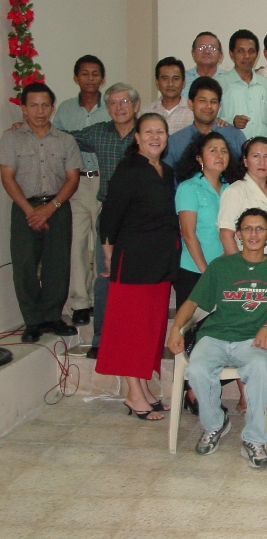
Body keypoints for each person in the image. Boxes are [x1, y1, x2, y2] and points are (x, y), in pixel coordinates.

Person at [167, 207, 267, 467]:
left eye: (259, 228)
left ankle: (254, 439)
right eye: (247, 228)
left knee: (259, 368)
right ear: (238, 234)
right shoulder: (221, 266)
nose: (253, 234)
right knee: (197, 370)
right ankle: (215, 423)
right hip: (215, 336)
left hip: (252, 340)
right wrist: (175, 328)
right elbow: (193, 302)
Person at [94, 113, 179, 420]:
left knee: (149, 327)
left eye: (161, 132)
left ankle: (143, 388)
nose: (155, 137)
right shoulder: (129, 169)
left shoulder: (166, 171)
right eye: (149, 132)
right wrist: (108, 253)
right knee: (131, 328)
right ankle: (133, 393)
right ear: (138, 138)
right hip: (133, 260)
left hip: (160, 260)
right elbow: (110, 214)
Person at [0, 83, 82, 343]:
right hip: (24, 208)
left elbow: (72, 178)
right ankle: (33, 321)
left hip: (57, 208)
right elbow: (7, 176)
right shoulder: (11, 138)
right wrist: (30, 211)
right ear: (23, 109)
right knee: (24, 265)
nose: (40, 111)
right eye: (33, 105)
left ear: (52, 108)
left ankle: (52, 317)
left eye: (45, 105)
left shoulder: (66, 140)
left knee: (57, 266)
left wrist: (50, 208)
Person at [69, 82, 141, 358]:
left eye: (125, 102)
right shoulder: (98, 133)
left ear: (135, 105)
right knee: (104, 278)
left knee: (137, 280)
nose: (119, 107)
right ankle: (101, 339)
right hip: (109, 215)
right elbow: (67, 137)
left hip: (140, 217)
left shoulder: (145, 133)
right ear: (107, 108)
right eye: (113, 103)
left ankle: (134, 337)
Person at [52, 55, 109, 328]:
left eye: (95, 73)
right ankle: (79, 303)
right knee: (77, 244)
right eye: (84, 73)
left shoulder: (111, 108)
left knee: (102, 244)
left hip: (104, 181)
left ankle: (99, 298)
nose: (90, 78)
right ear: (76, 78)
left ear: (102, 79)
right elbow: (55, 141)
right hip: (75, 183)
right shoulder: (65, 109)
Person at [174, 132, 240, 309]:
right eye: (213, 150)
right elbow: (188, 234)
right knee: (192, 323)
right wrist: (206, 273)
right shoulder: (189, 188)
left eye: (224, 151)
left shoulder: (231, 188)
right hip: (195, 270)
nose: (220, 155)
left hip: (226, 269)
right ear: (199, 158)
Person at [219, 137, 267, 264]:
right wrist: (242, 268)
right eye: (256, 156)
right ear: (245, 161)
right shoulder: (235, 191)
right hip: (250, 267)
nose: (262, 162)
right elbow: (226, 235)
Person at [164, 77, 246, 170]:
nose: (208, 106)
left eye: (213, 102)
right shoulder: (176, 141)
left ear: (219, 106)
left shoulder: (235, 136)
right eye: (202, 101)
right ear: (191, 104)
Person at [216, 29, 267, 140]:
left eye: (251, 51)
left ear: (257, 54)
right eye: (241, 51)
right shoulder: (219, 84)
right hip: (230, 148)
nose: (247, 56)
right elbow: (209, 118)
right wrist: (231, 121)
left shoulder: (265, 84)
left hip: (263, 148)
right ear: (231, 54)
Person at [140, 57, 193, 134]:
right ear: (157, 83)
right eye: (165, 78)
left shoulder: (193, 112)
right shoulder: (145, 112)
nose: (170, 84)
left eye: (176, 78)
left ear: (183, 83)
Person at [182, 31, 226, 99]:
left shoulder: (228, 80)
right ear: (193, 53)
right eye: (201, 47)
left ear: (220, 55)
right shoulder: (182, 79)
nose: (206, 51)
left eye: (212, 48)